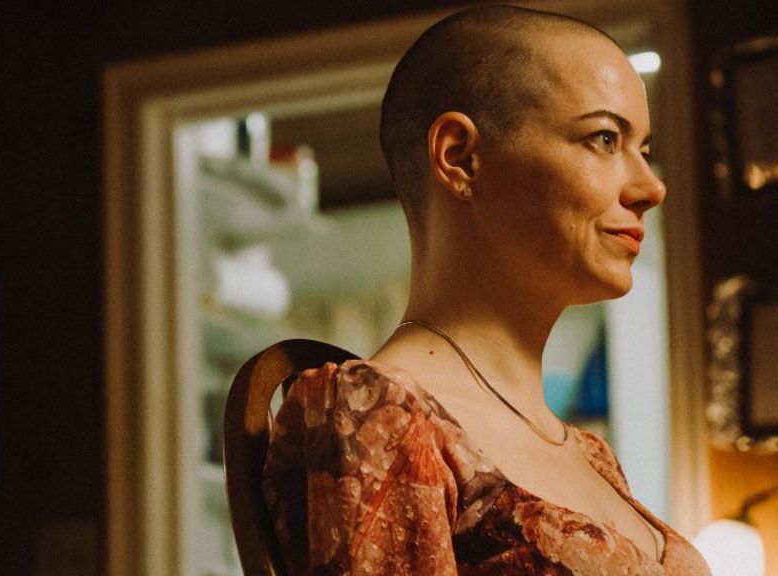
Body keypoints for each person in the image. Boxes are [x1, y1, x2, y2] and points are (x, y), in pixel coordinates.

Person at [262, 5, 711, 575]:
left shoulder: (590, 455)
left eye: (642, 150)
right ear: (460, 158)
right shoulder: (380, 413)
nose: (651, 187)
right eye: (603, 138)